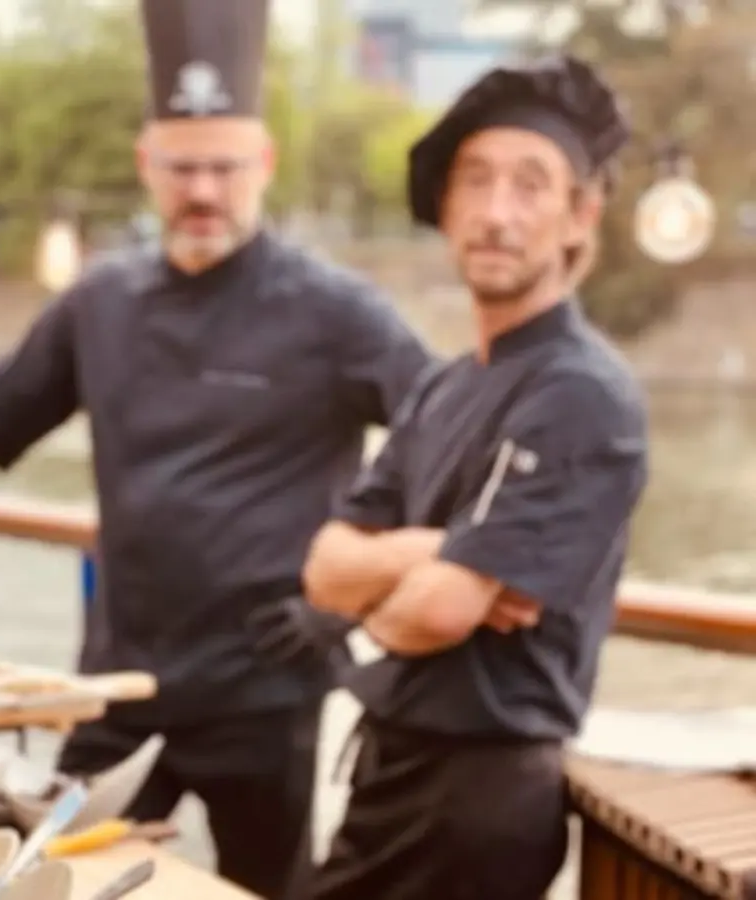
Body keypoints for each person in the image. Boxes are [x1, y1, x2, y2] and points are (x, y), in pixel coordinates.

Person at [0, 0, 432, 894]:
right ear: (146, 165)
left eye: (223, 167)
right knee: (53, 878)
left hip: (272, 686)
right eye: (181, 168)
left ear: (264, 165)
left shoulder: (336, 311)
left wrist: (355, 596)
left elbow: (445, 436)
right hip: (119, 684)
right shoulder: (100, 304)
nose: (202, 191)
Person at [301, 55, 648, 900]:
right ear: (445, 207)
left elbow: (439, 612)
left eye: (532, 186)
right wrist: (440, 548)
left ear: (580, 216)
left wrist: (414, 582)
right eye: (475, 181)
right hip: (387, 772)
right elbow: (322, 568)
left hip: (480, 801)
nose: (497, 212)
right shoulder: (442, 386)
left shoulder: (581, 394)